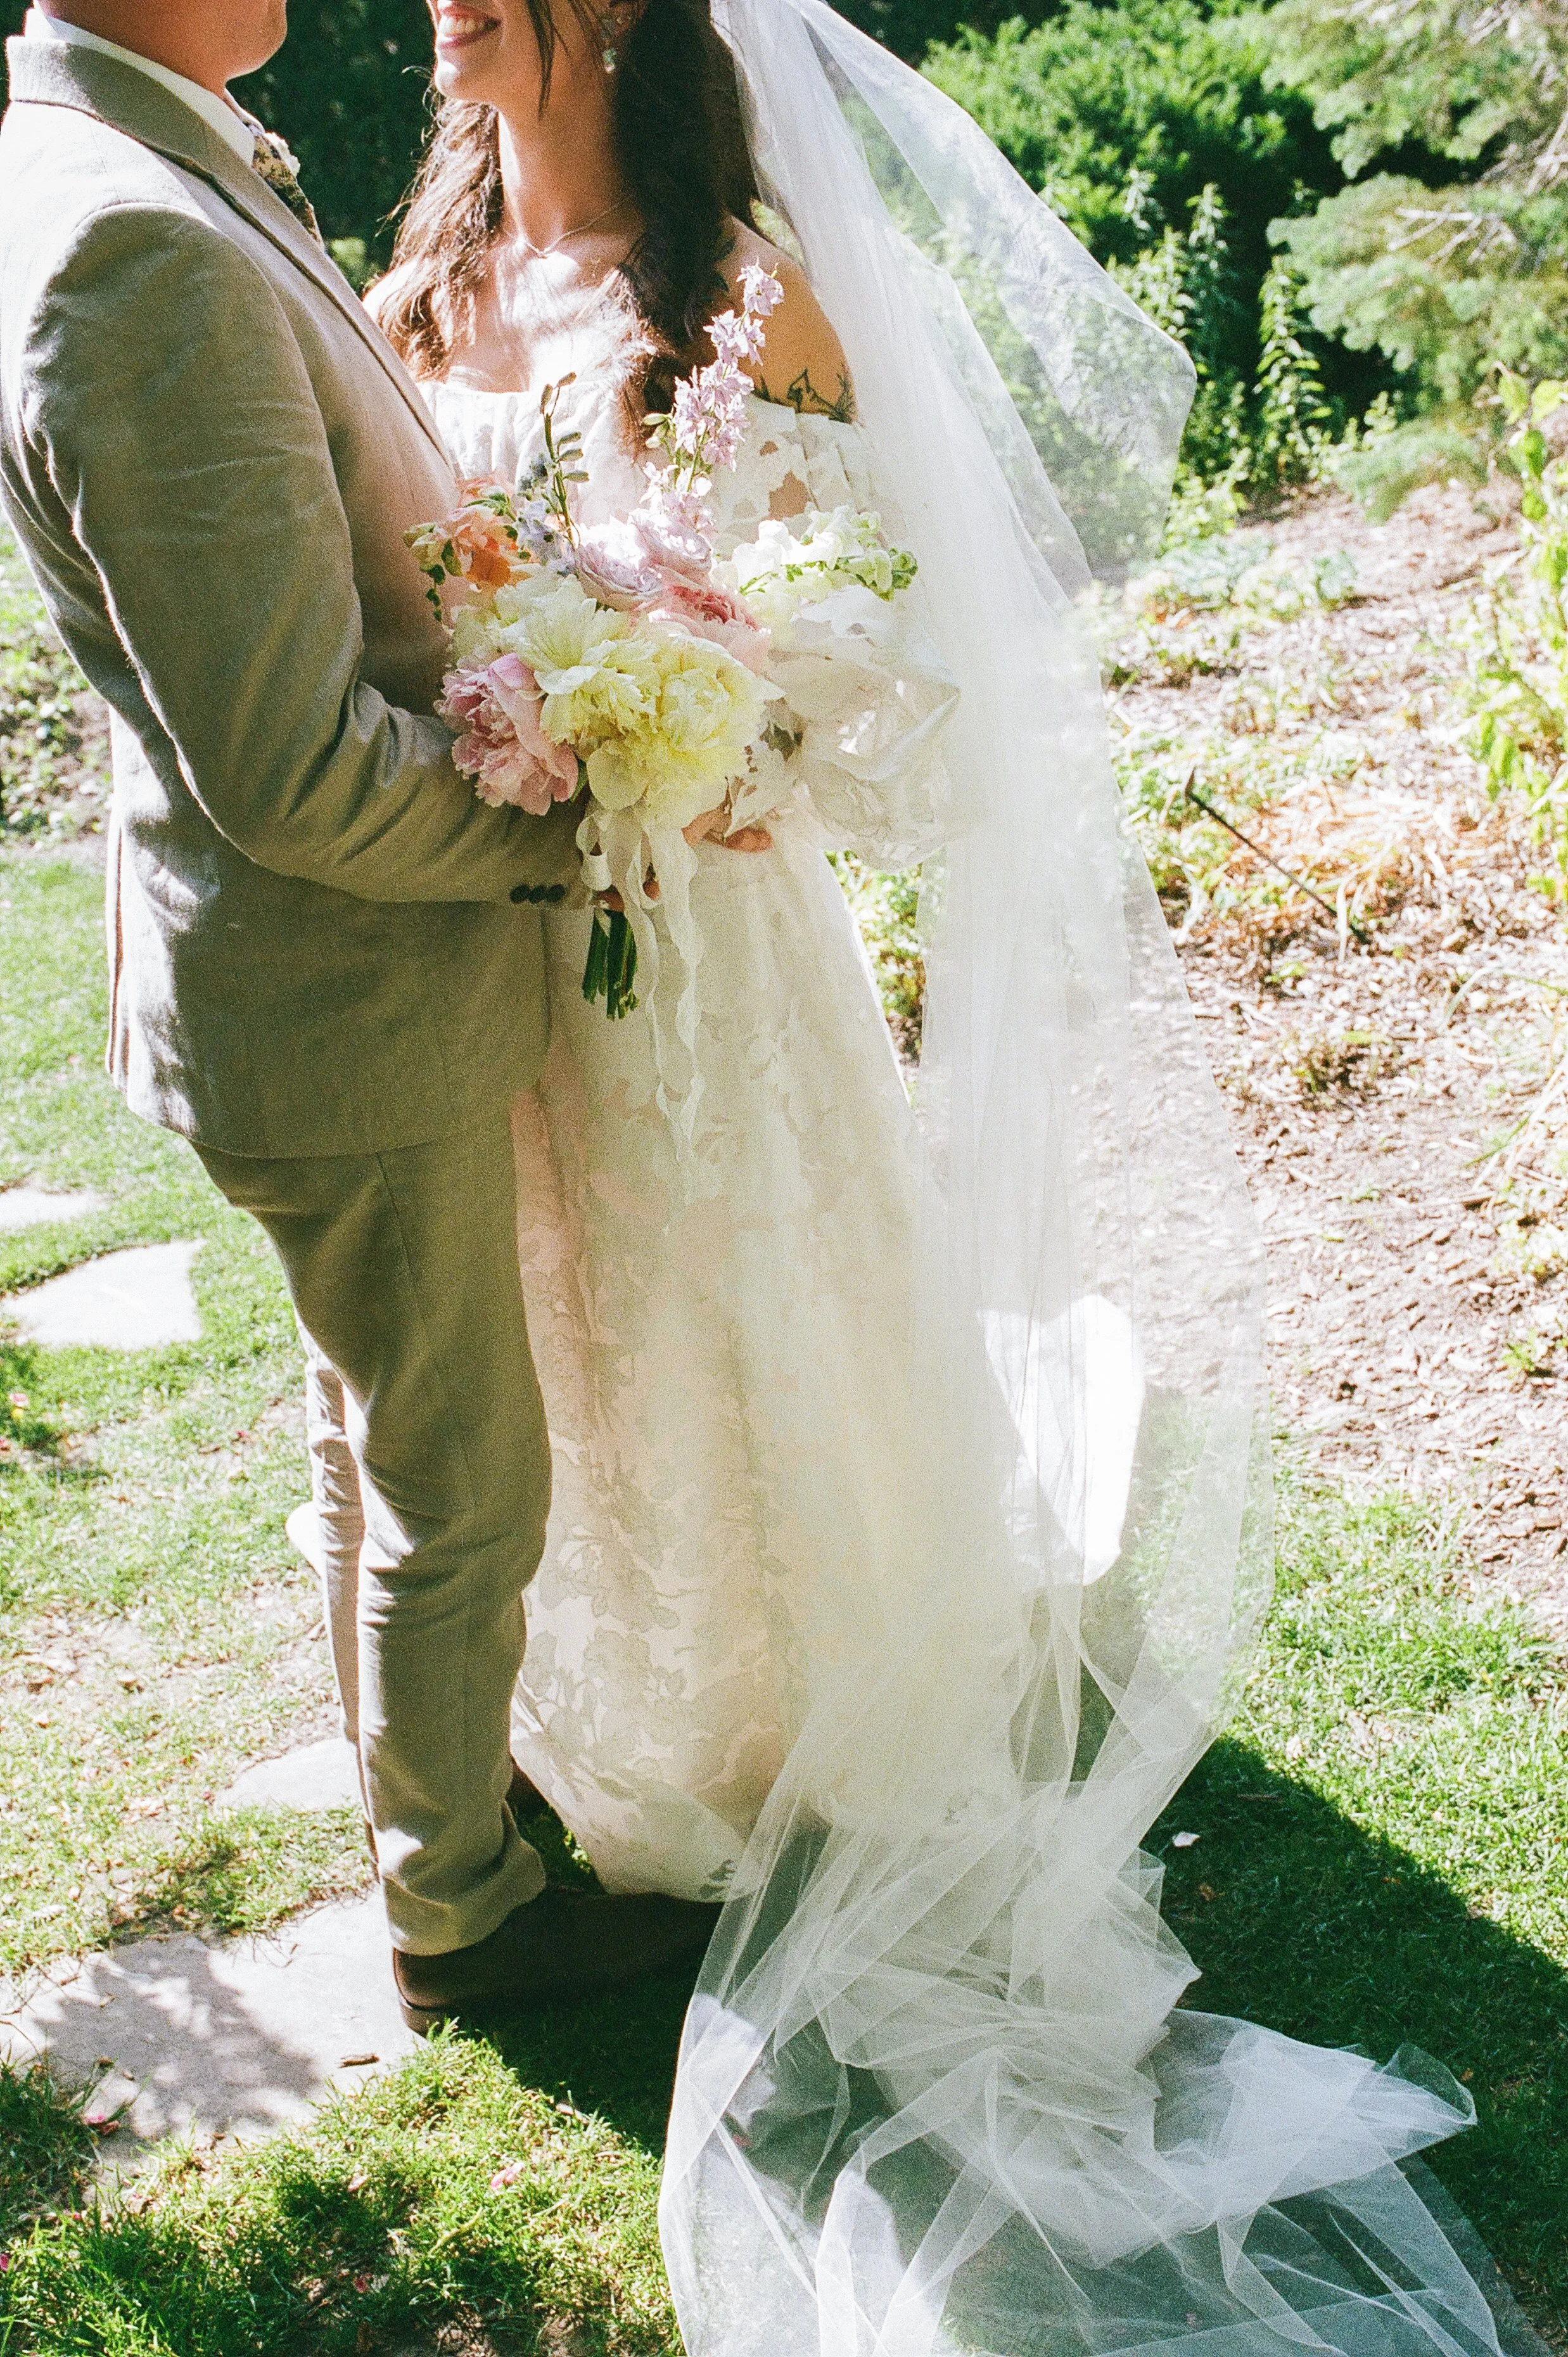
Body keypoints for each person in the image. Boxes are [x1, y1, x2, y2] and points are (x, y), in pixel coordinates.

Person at [349, 1, 1543, 2353]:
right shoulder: (409, 300)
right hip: (482, 939)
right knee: (565, 1335)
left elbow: (906, 612)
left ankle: (801, 1715)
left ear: (595, 6)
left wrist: (746, 731)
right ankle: (593, 1717)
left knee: (749, 1300)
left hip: (712, 927)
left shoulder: (743, 289)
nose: (436, 11)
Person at [0, 0, 728, 2033]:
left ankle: (439, 1811)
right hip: (335, 980)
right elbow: (297, 767)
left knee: (376, 1439)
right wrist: (579, 815)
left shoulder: (132, 153)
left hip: (290, 976)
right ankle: (471, 1917)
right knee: (453, 1468)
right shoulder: (129, 240)